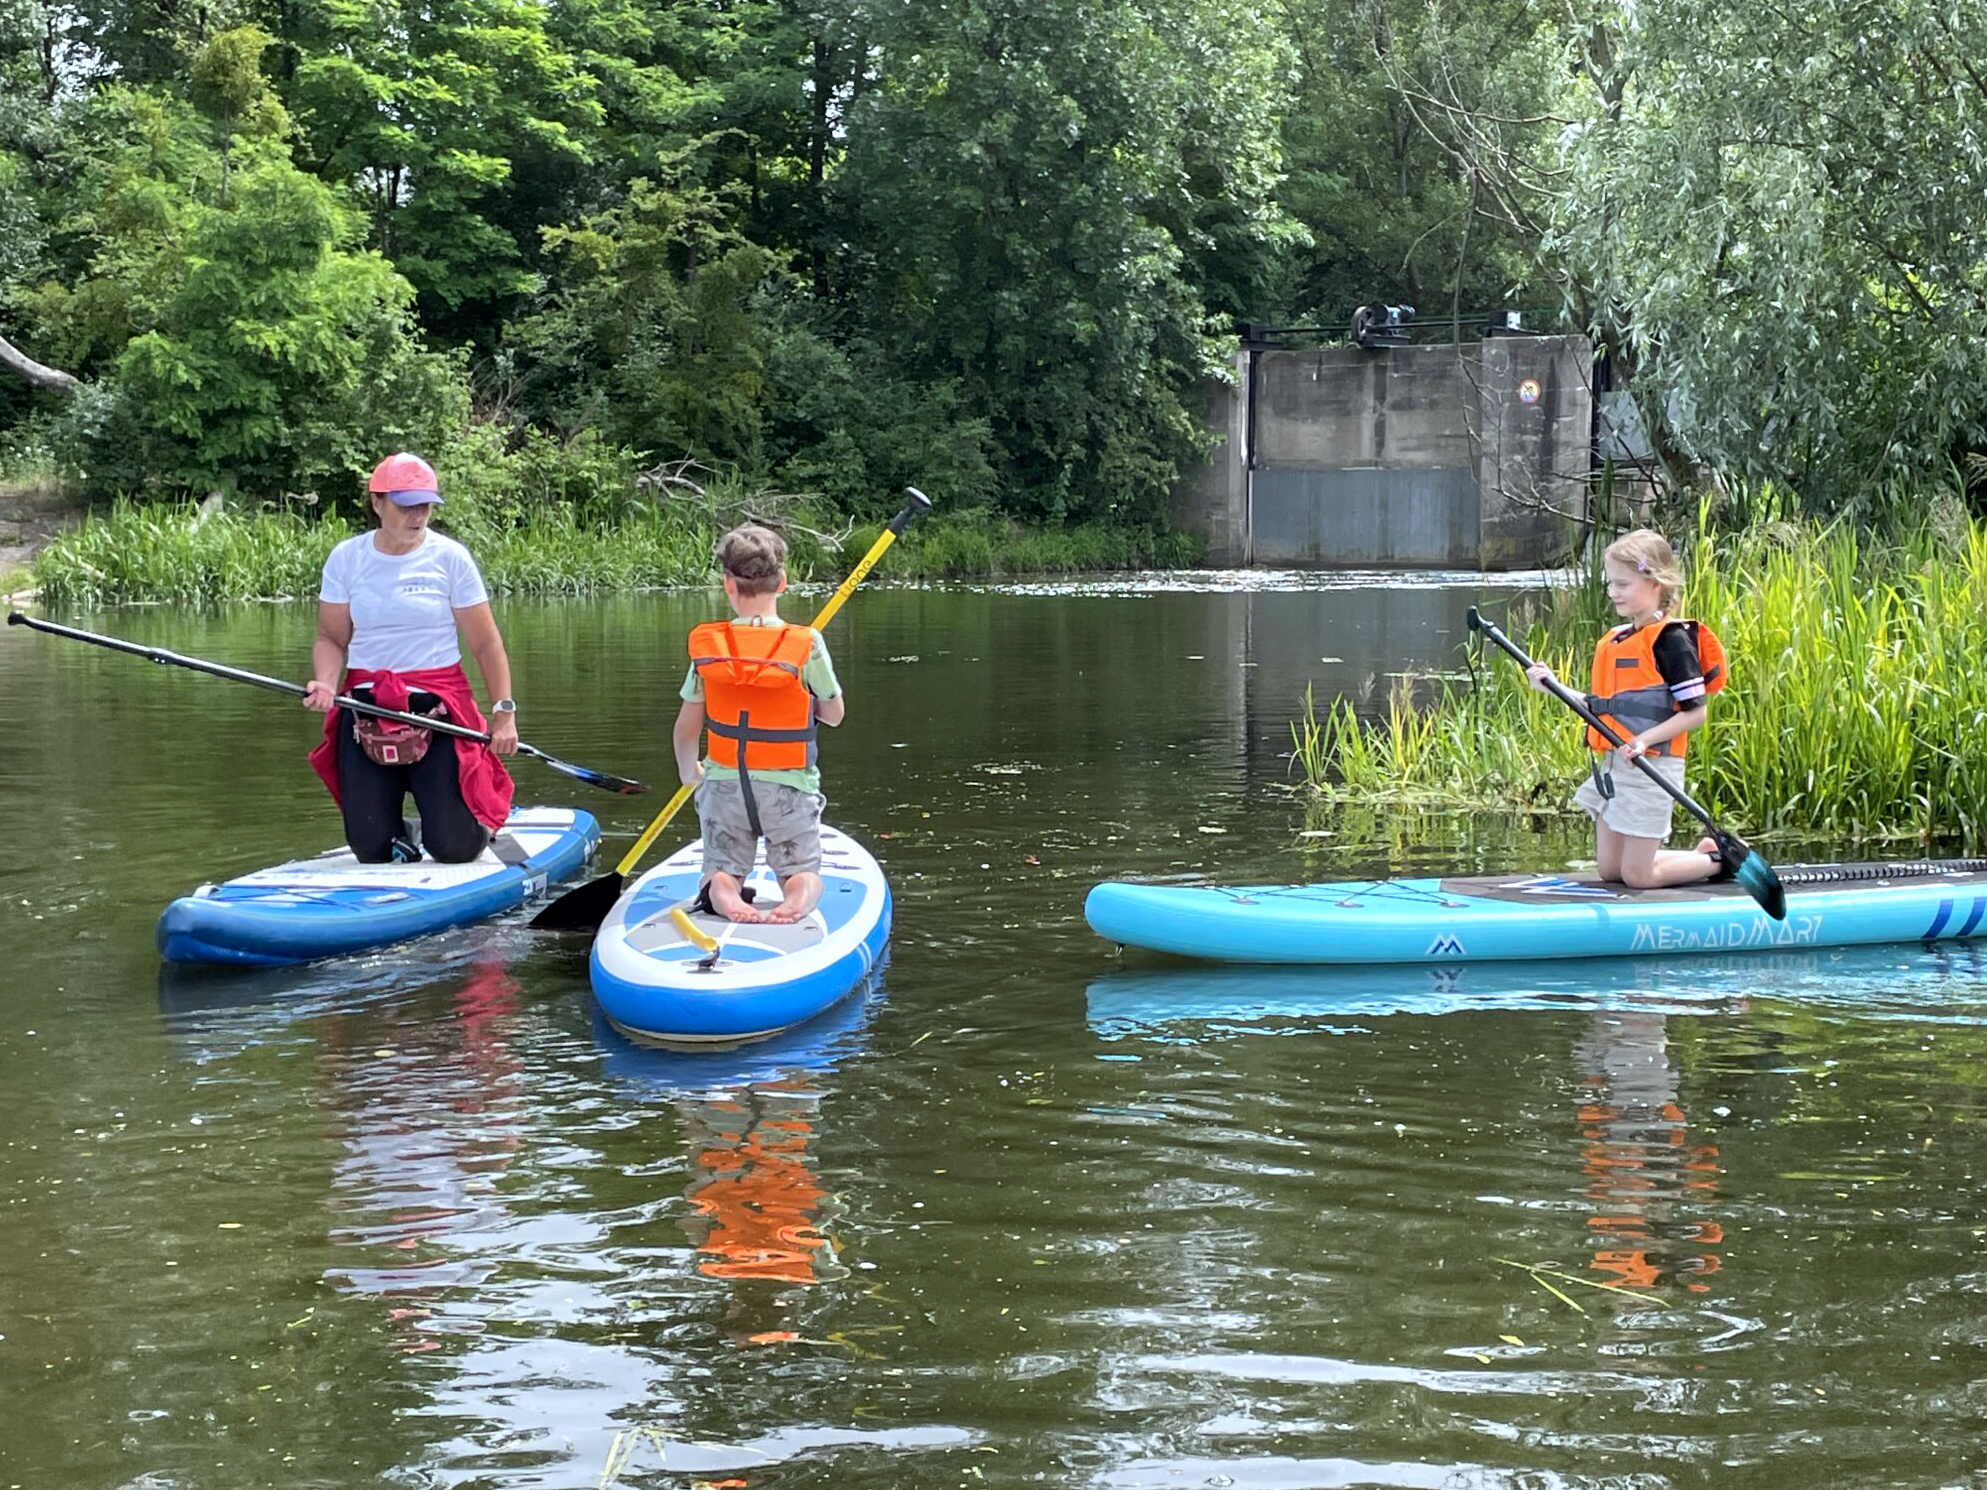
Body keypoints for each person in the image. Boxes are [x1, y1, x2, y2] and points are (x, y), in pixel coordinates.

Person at [303, 452, 518, 863]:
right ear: (377, 503)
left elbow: (487, 646)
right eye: (406, 506)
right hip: (365, 706)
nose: (417, 515)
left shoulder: (449, 558)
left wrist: (503, 713)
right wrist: (326, 684)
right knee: (372, 850)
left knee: (453, 848)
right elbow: (331, 638)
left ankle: (462, 822)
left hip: (435, 707)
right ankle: (403, 828)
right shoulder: (347, 558)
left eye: (424, 505)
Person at [1527, 528, 1727, 890]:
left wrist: (1641, 741)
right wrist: (1551, 686)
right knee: (1610, 870)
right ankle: (1702, 855)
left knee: (1637, 876)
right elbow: (1597, 707)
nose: (1612, 592)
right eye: (1610, 584)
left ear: (1656, 584)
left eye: (1623, 584)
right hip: (1615, 766)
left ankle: (1716, 862)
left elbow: (1695, 713)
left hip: (1653, 766)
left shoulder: (1672, 641)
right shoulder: (1618, 638)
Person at [673, 524, 844, 924]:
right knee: (799, 868)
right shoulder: (806, 643)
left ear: (727, 584)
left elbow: (686, 727)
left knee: (722, 865)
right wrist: (808, 707)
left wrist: (688, 772)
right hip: (788, 786)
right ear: (782, 581)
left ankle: (722, 886)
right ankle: (797, 895)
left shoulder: (708, 647)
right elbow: (834, 716)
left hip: (724, 784)